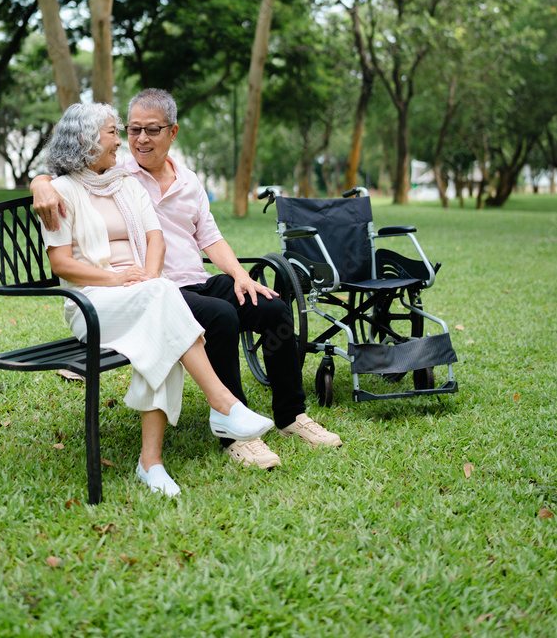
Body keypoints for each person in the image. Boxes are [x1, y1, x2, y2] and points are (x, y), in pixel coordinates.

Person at [32, 89, 342, 470]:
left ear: (173, 132)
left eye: (152, 130)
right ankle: (236, 434)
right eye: (132, 130)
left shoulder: (188, 181)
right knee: (221, 318)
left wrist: (240, 275)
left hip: (194, 280)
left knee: (273, 307)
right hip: (154, 291)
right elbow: (67, 167)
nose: (140, 140)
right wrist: (39, 182)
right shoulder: (118, 171)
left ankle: (291, 415)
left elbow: (210, 237)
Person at [38, 102, 274, 497]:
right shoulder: (61, 192)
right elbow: (62, 264)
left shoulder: (125, 184)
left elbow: (155, 238)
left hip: (142, 293)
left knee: (160, 313)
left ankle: (153, 462)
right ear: (85, 139)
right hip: (93, 305)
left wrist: (148, 277)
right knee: (163, 304)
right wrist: (118, 279)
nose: (121, 142)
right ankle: (222, 405)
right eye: (113, 132)